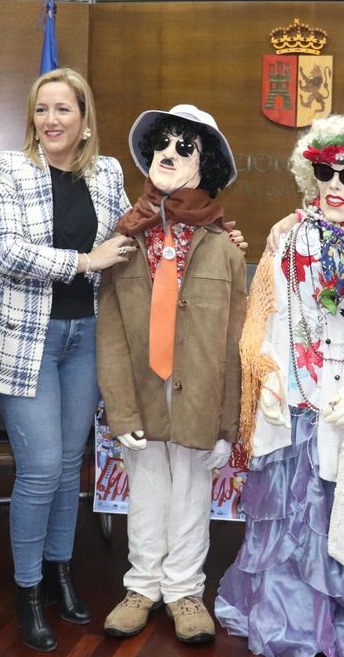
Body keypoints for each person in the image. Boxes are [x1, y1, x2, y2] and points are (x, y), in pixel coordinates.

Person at [216, 115, 344, 656]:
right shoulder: (289, 238)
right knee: (289, 527)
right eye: (324, 172)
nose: (334, 184)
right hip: (297, 411)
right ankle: (292, 623)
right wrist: (269, 375)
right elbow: (264, 318)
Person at [0, 67, 135, 651]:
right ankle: (28, 588)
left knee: (69, 464)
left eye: (64, 109)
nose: (51, 120)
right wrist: (88, 261)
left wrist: (208, 232)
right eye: (42, 110)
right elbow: (6, 253)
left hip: (86, 337)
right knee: (40, 467)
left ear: (85, 120)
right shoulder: (7, 168)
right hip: (25, 340)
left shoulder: (108, 172)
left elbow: (132, 237)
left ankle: (62, 571)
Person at [97, 104, 247, 646]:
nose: (169, 153)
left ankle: (185, 590)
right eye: (163, 142)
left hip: (200, 393)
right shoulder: (125, 240)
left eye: (185, 147)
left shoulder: (225, 250)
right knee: (146, 489)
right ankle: (141, 586)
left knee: (191, 492)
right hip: (142, 388)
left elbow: (236, 340)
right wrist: (121, 408)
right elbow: (110, 331)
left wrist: (230, 420)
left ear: (203, 167)